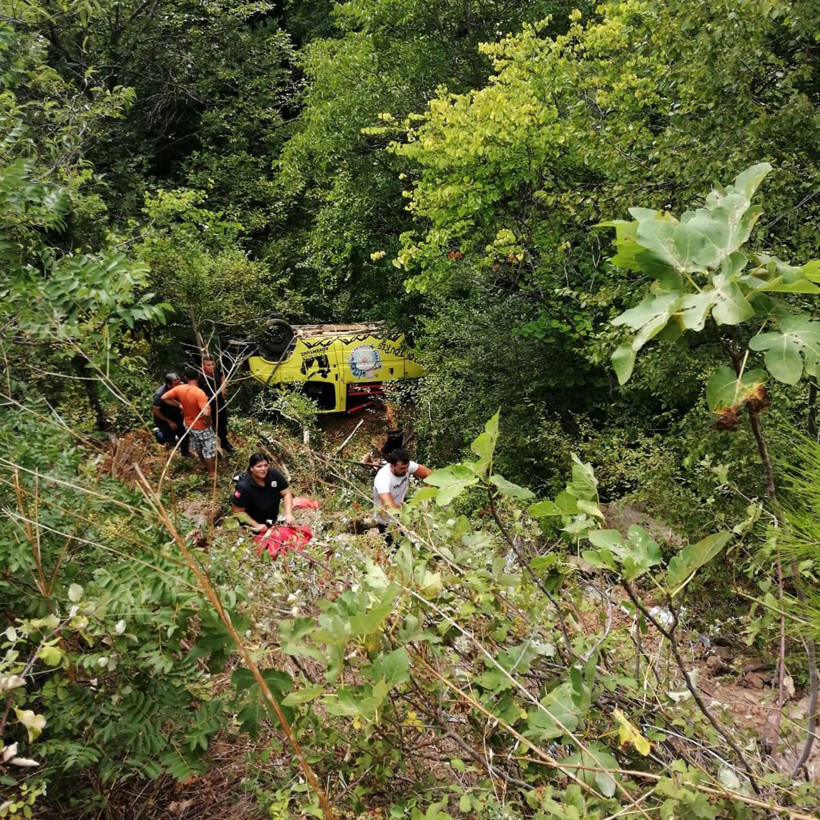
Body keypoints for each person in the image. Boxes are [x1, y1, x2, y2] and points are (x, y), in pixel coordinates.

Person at [161, 365, 215, 477]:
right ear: (199, 376)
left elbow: (164, 397)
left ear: (185, 377)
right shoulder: (199, 393)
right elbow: (206, 412)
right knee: (208, 449)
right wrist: (208, 422)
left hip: (188, 424)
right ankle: (211, 472)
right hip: (201, 426)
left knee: (197, 446)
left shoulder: (179, 388)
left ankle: (203, 465)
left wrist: (179, 405)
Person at [372, 448, 432, 540]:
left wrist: (428, 497)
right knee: (394, 549)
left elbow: (428, 473)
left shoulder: (407, 466)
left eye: (407, 467)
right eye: (402, 468)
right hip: (387, 521)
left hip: (403, 512)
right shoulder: (383, 479)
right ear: (392, 466)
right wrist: (414, 510)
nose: (406, 470)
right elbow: (390, 508)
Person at [231, 453, 295, 533]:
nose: (263, 469)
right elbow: (237, 510)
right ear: (251, 468)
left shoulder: (273, 474)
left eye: (265, 465)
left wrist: (288, 514)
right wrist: (256, 525)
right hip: (251, 528)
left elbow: (286, 493)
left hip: (272, 522)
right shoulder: (244, 487)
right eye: (259, 466)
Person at [198, 353, 234, 454]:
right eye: (208, 365)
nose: (211, 367)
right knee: (210, 425)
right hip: (207, 404)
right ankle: (213, 448)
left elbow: (223, 378)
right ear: (203, 365)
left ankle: (224, 443)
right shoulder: (199, 375)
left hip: (219, 402)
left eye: (212, 364)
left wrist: (223, 389)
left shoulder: (217, 371)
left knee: (222, 423)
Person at [152, 372, 191, 456]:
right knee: (168, 440)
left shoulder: (182, 387)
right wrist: (169, 422)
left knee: (184, 434)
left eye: (180, 382)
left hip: (177, 415)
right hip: (164, 418)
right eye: (176, 384)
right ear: (169, 385)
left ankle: (185, 453)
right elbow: (156, 411)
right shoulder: (159, 394)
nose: (179, 385)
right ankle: (158, 433)